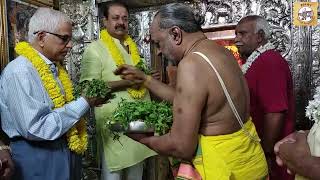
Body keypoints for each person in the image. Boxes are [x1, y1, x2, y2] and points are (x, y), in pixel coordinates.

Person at [114, 3, 268, 179]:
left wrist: (140, 138)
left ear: (175, 34)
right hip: (250, 163)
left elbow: (181, 146)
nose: (158, 52)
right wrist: (145, 79)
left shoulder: (191, 64)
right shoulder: (220, 52)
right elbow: (190, 100)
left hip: (222, 169)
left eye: (158, 43)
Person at [0, 8, 107, 180]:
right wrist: (85, 102)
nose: (70, 45)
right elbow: (36, 128)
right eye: (64, 38)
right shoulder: (20, 71)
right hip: (38, 156)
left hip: (63, 150)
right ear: (42, 37)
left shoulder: (54, 68)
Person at [79, 1, 156, 180]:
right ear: (104, 21)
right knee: (113, 175)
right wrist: (127, 82)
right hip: (114, 125)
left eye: (125, 18)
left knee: (136, 174)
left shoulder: (131, 46)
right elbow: (88, 89)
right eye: (115, 18)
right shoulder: (95, 49)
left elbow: (139, 80)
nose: (121, 22)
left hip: (140, 122)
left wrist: (149, 79)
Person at [234, 15, 295, 180]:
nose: (236, 39)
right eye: (236, 34)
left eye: (242, 34)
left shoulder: (269, 62)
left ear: (260, 36)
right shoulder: (258, 61)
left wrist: (266, 154)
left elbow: (275, 112)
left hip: (273, 156)